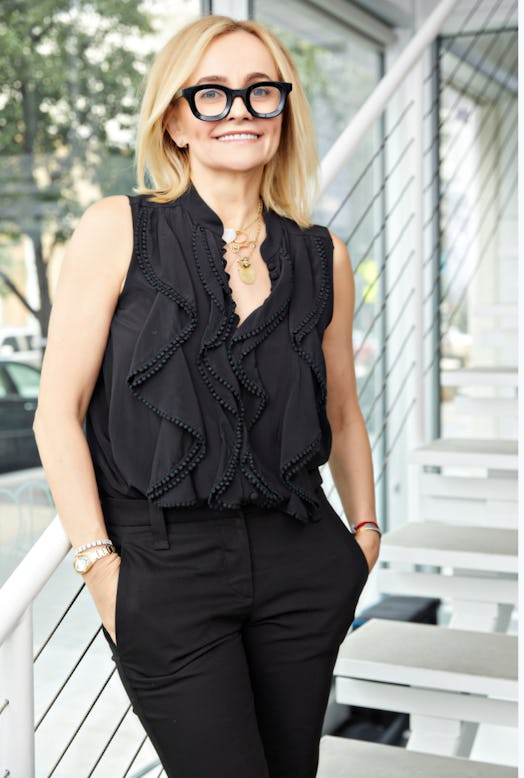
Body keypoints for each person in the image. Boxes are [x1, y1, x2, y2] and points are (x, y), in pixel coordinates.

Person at [33, 14, 380, 778]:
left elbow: (344, 413)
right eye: (212, 94)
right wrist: (100, 570)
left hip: (302, 562)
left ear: (284, 113)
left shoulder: (323, 254)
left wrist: (363, 536)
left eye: (261, 92)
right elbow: (55, 411)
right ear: (177, 119)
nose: (240, 112)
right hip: (161, 568)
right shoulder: (116, 230)